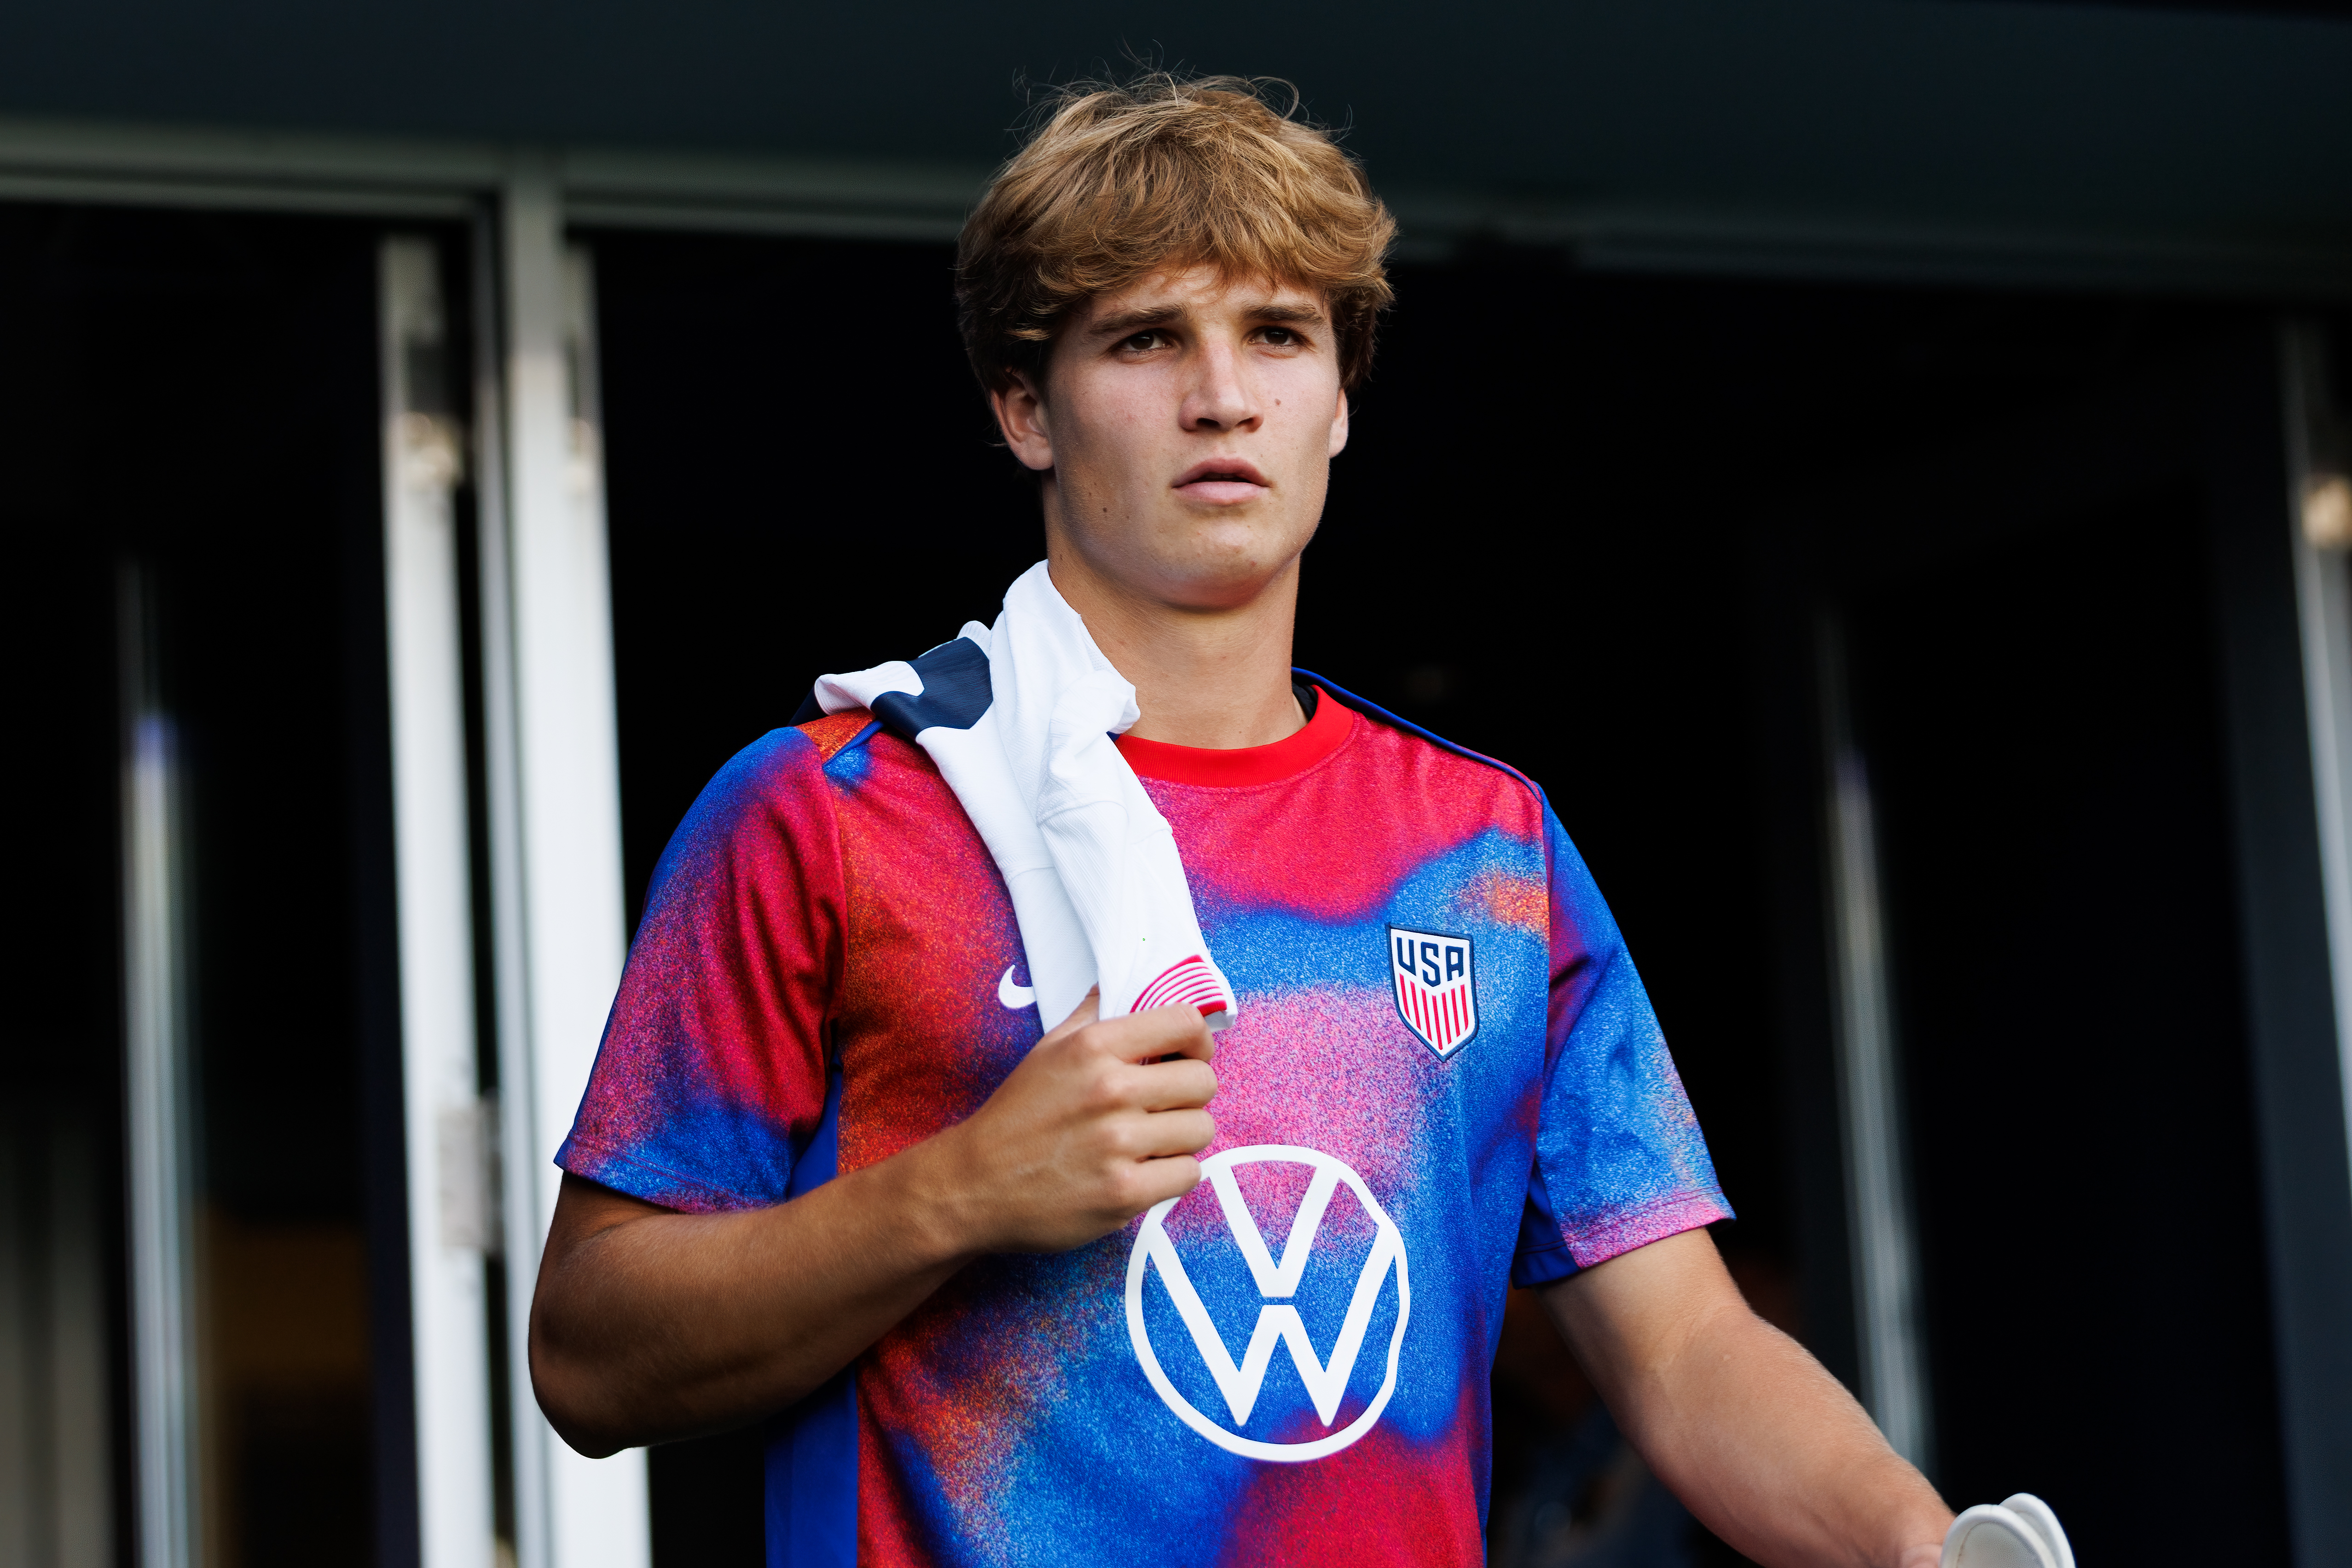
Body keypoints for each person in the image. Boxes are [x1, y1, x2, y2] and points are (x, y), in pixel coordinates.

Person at [529, 74, 1955, 1568]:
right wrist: (954, 1194)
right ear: (1027, 407)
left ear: (1337, 400)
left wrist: (1926, 1545)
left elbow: (1679, 1351)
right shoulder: (832, 813)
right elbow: (587, 1357)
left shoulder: (1488, 850)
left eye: (1277, 336)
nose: (1221, 396)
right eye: (1147, 339)